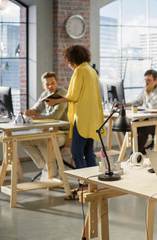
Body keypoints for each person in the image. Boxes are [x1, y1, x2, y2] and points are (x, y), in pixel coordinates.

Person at [46, 45, 104, 200]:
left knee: (77, 152)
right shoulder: (91, 71)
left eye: (69, 61)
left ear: (74, 59)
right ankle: (93, 186)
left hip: (82, 118)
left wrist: (55, 101)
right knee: (89, 152)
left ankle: (83, 187)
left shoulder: (80, 71)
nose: (68, 64)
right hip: (92, 118)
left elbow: (73, 96)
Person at [21, 72, 68, 180]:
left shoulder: (62, 94)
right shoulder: (44, 95)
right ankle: (47, 167)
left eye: (52, 83)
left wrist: (36, 116)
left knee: (45, 141)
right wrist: (30, 112)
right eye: (47, 84)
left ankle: (53, 174)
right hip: (49, 131)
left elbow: (55, 116)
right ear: (43, 85)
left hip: (63, 132)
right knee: (25, 142)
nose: (50, 86)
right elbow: (36, 109)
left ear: (57, 83)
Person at [124, 69, 157, 154]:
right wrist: (125, 104)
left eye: (149, 80)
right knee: (126, 124)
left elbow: (153, 106)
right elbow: (138, 101)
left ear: (156, 80)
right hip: (148, 119)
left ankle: (134, 155)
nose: (146, 83)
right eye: (145, 80)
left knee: (142, 128)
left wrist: (147, 93)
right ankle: (140, 151)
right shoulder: (146, 88)